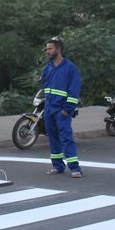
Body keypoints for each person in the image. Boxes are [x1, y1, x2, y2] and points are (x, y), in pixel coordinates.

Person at [42, 37, 82, 178]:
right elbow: (45, 87)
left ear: (58, 50)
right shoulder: (47, 68)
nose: (47, 51)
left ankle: (75, 168)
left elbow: (74, 91)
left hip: (61, 110)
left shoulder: (70, 68)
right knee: (53, 137)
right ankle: (58, 166)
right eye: (47, 49)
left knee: (66, 138)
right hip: (49, 108)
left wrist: (67, 109)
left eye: (50, 48)